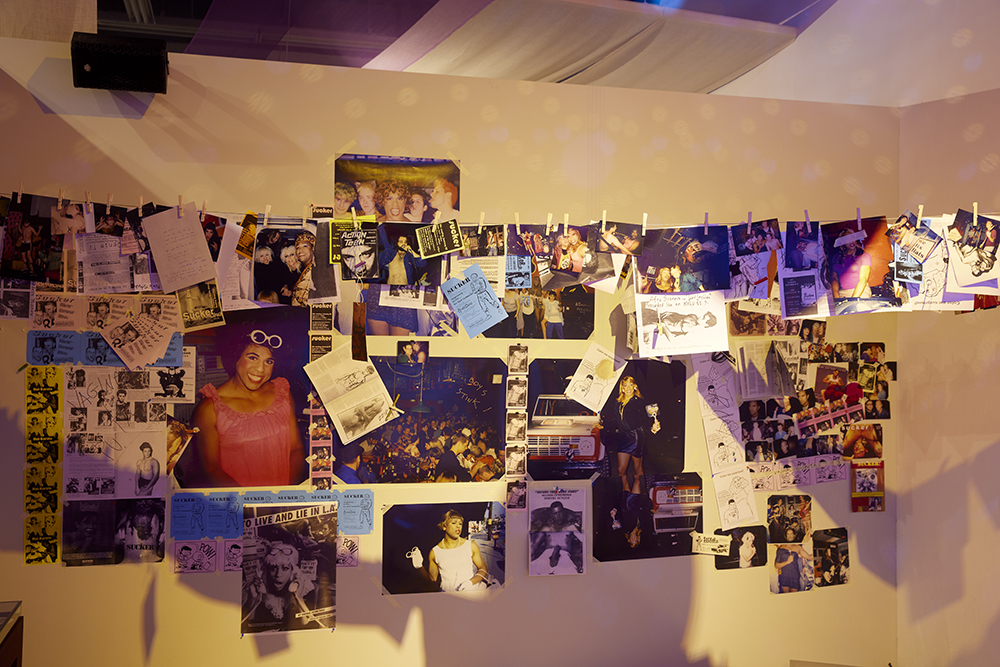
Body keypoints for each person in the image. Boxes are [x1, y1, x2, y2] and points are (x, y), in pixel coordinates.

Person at [192, 329, 304, 487]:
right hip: (241, 500)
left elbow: (296, 448)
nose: (260, 369)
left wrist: (285, 493)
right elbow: (212, 470)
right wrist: (252, 500)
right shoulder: (210, 409)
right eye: (253, 357)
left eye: (269, 361)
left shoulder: (282, 393)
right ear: (235, 356)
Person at [242, 542, 325, 632]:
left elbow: (307, 625)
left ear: (293, 571)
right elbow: (248, 626)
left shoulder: (306, 588)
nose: (278, 574)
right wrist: (253, 598)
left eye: (285, 568)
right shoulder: (259, 591)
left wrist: (298, 598)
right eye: (273, 568)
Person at [601, 376, 660, 496]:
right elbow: (615, 420)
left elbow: (645, 420)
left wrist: (653, 427)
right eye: (625, 385)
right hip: (623, 437)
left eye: (631, 385)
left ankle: (637, 495)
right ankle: (626, 490)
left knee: (638, 469)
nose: (628, 388)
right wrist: (603, 425)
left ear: (635, 387)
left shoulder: (639, 402)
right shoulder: (618, 402)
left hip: (636, 437)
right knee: (620, 470)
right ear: (622, 388)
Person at [409, 509, 490, 592]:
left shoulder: (470, 546)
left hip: (470, 593)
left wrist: (470, 583)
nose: (458, 526)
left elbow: (483, 569)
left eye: (460, 523)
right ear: (444, 526)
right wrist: (419, 566)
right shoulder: (435, 552)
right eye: (454, 523)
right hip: (447, 595)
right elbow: (432, 580)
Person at [831, 228, 873, 299]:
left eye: (852, 237)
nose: (851, 241)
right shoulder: (836, 257)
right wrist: (836, 297)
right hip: (842, 292)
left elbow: (863, 279)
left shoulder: (864, 256)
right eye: (846, 239)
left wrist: (853, 299)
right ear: (842, 242)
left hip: (861, 291)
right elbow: (834, 279)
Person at [291, 232, 316, 307]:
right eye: (297, 248)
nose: (300, 250)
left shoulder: (315, 270)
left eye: (305, 246)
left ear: (313, 248)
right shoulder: (303, 269)